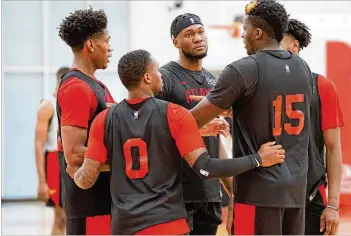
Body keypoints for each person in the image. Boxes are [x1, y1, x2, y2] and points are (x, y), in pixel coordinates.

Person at [66, 49, 286, 235]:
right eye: (157, 70)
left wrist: (74, 173)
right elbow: (206, 168)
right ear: (147, 78)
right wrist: (257, 159)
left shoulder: (104, 119)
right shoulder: (174, 114)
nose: (161, 75)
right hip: (167, 223)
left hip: (125, 226)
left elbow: (86, 179)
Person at [190, 0, 314, 234]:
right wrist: (236, 109)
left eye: (245, 30)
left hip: (259, 192)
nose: (242, 35)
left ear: (258, 33)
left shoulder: (243, 69)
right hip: (296, 191)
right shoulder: (303, 67)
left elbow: (190, 121)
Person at [155, 13, 232, 235]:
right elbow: (151, 126)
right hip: (176, 193)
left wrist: (230, 190)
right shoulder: (166, 77)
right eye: (189, 34)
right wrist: (193, 126)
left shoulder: (214, 82)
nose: (197, 38)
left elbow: (218, 144)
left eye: (200, 32)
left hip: (209, 193)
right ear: (175, 42)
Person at [281, 18, 344, 235]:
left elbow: (333, 148)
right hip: (269, 195)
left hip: (311, 194)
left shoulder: (322, 86)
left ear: (294, 47)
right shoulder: (257, 85)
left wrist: (333, 204)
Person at [56, 7, 115, 235]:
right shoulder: (76, 88)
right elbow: (74, 155)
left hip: (103, 202)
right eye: (107, 41)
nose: (110, 48)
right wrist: (128, 160)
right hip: (89, 207)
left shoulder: (96, 86)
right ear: (91, 45)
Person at [35, 66, 70, 235]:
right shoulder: (47, 106)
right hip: (55, 161)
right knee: (61, 218)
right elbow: (38, 145)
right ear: (60, 81)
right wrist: (41, 181)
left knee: (72, 218)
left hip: (71, 160)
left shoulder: (72, 102)